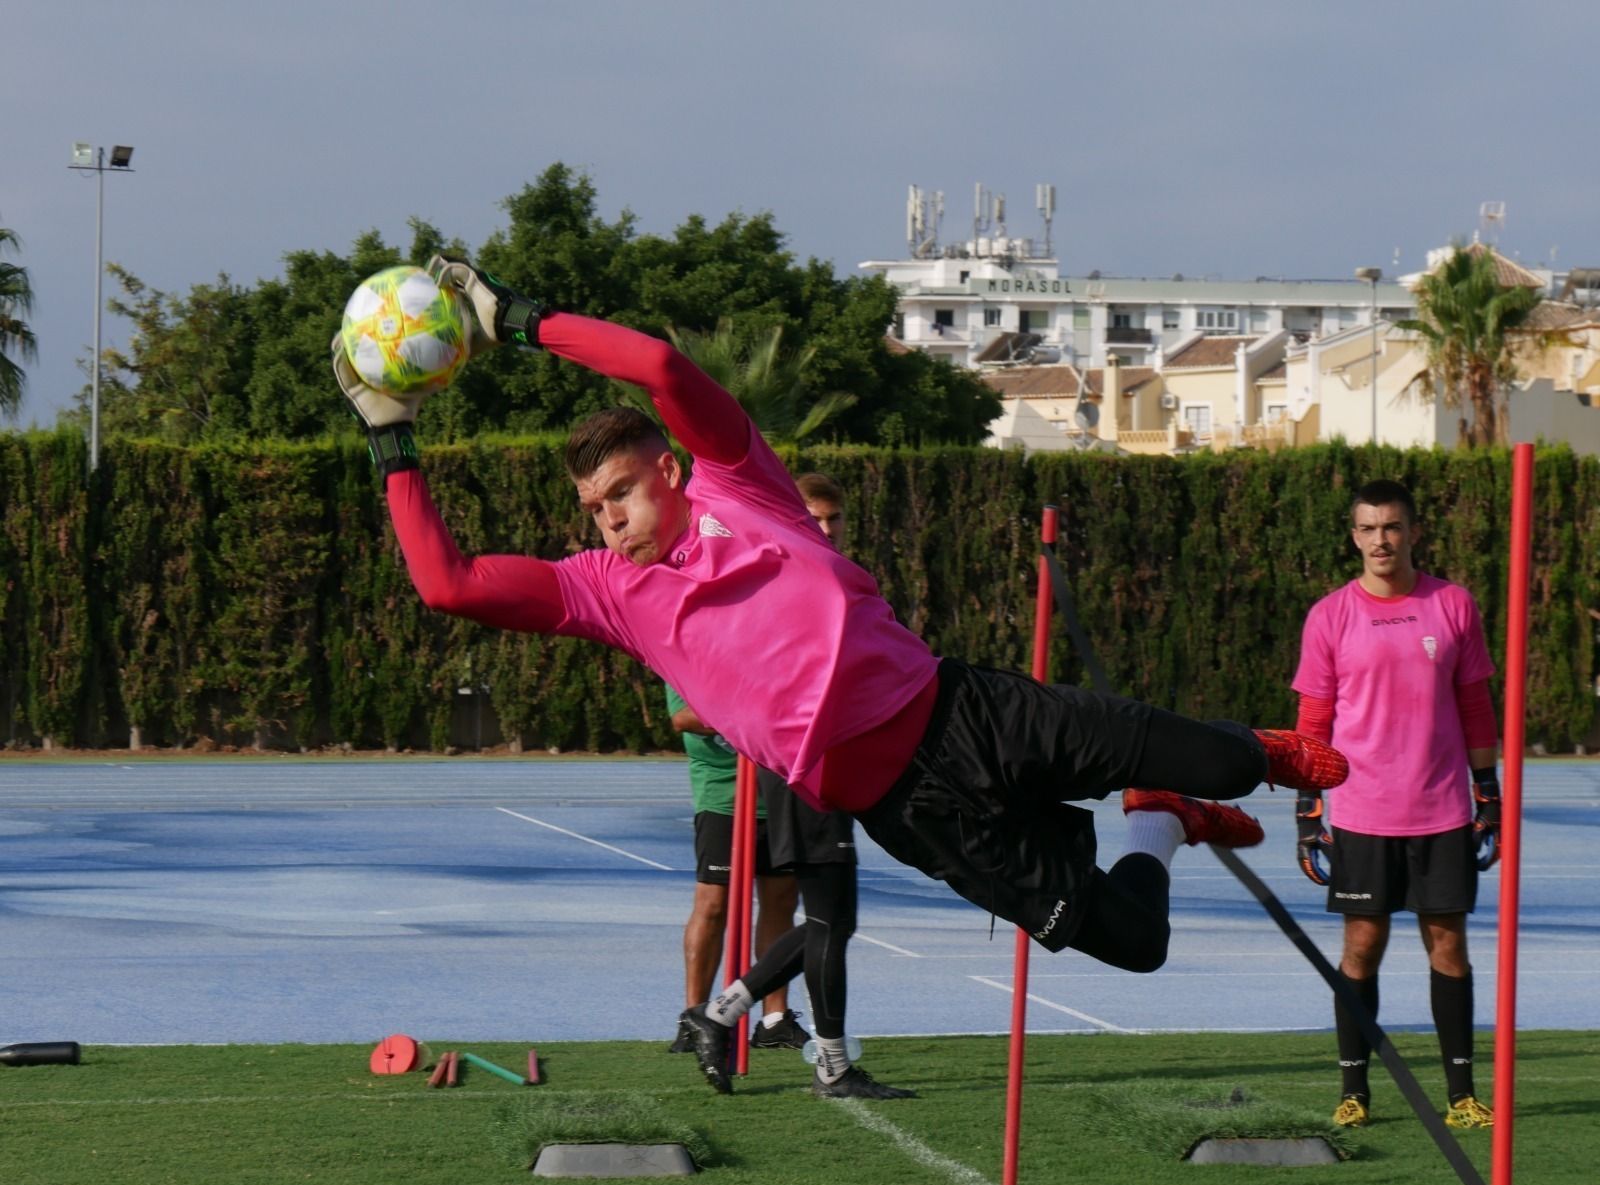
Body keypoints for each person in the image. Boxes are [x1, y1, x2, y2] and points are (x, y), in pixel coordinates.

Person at [332, 256, 1348, 1096]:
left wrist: (521, 322)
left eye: (621, 491)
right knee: (1134, 941)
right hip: (911, 809)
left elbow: (661, 369)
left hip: (964, 710)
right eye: (593, 507)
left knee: (1222, 758)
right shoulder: (605, 590)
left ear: (669, 470)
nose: (607, 517)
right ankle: (1156, 823)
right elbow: (446, 582)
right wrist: (391, 439)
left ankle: (1237, 764)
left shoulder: (742, 484)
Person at [688, 471, 914, 1099]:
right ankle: (816, 1058)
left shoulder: (838, 579)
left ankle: (725, 1015)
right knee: (831, 921)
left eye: (834, 519)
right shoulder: (786, 581)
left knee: (830, 921)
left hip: (830, 766)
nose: (827, 529)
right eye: (814, 519)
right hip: (802, 766)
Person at [1290, 479, 1500, 1131]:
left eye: (1391, 526)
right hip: (1362, 812)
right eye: (1368, 528)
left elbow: (1475, 705)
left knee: (1449, 946)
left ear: (1413, 532)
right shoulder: (1330, 615)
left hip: (1442, 809)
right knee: (1362, 946)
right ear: (1354, 537)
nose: (1380, 539)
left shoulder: (1452, 604)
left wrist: (1488, 790)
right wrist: (1307, 808)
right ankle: (1354, 1092)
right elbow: (1313, 719)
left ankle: (1462, 1096)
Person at [664, 681, 810, 1053]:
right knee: (713, 904)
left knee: (781, 901)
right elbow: (683, 718)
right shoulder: (688, 657)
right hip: (723, 795)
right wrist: (756, 715)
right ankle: (694, 1017)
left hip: (779, 785)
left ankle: (774, 1020)